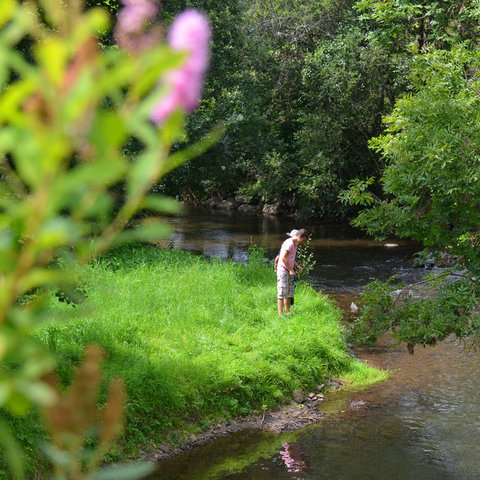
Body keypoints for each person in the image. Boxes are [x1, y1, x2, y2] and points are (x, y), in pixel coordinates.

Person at [275, 229, 308, 316]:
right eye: (303, 240)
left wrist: (297, 266)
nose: (303, 242)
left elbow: (290, 258)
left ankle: (287, 312)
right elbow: (283, 258)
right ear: (299, 236)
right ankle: (280, 314)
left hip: (288, 270)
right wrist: (291, 270)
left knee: (288, 292)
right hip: (283, 270)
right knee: (282, 292)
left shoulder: (295, 243)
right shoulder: (289, 243)